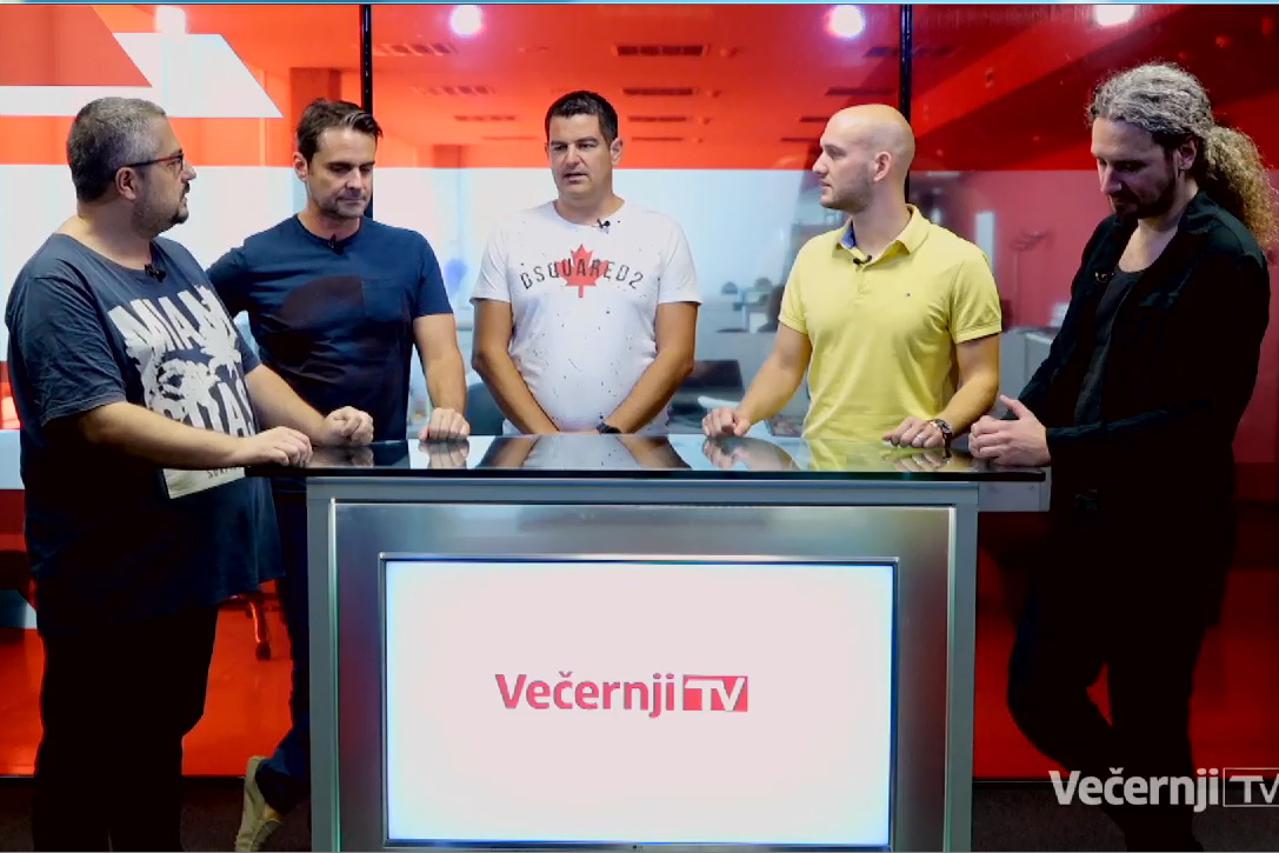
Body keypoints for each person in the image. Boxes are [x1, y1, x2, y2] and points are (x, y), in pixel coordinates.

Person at [5, 97, 373, 851]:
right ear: (129, 180)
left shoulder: (174, 261)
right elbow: (100, 418)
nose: (192, 172)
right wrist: (245, 450)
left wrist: (317, 427)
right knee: (86, 760)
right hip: (110, 577)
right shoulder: (57, 282)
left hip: (186, 568)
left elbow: (242, 368)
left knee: (155, 748)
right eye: (176, 160)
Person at [969, 63, 1274, 849]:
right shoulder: (1112, 235)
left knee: (1150, 717)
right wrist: (1005, 423)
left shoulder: (1226, 256)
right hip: (1086, 517)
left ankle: (1161, 837)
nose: (1108, 182)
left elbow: (1197, 424)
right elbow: (1067, 360)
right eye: (1100, 161)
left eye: (1128, 165)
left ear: (1184, 153)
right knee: (1037, 693)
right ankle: (1159, 827)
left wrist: (1053, 445)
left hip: (1172, 533)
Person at [206, 98, 470, 851]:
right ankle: (323, 805)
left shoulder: (407, 251)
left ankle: (290, 781)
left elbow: (441, 352)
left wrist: (448, 412)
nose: (357, 182)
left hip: (388, 483)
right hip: (298, 487)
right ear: (301, 167)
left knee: (392, 644)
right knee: (321, 654)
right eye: (340, 168)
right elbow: (200, 342)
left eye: (367, 168)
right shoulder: (255, 258)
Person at [702, 105, 1001, 447]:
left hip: (914, 469)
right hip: (823, 469)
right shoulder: (812, 257)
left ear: (880, 166)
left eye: (835, 154)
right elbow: (785, 365)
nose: (818, 166)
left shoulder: (960, 262)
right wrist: (743, 415)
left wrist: (941, 426)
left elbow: (982, 378)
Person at [471, 90, 700, 435]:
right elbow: (487, 353)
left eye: (586, 145)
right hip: (531, 450)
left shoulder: (661, 234)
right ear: (547, 153)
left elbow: (677, 355)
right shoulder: (510, 234)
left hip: (636, 450)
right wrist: (550, 441)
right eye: (559, 148)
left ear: (615, 150)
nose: (571, 159)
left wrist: (606, 435)